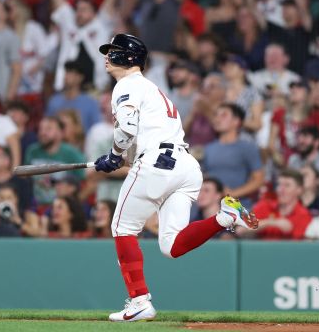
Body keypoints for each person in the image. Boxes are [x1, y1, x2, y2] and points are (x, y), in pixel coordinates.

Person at [94, 34, 258, 322]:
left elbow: (128, 129)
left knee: (122, 227)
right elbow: (138, 139)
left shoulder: (127, 85)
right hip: (185, 166)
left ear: (128, 58)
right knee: (170, 246)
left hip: (158, 163)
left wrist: (115, 154)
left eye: (113, 51)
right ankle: (225, 217)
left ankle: (139, 300)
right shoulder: (152, 90)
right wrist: (119, 157)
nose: (107, 57)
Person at [202, 103, 264, 209]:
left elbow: (258, 179)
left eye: (224, 115)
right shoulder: (208, 148)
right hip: (210, 209)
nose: (217, 119)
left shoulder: (247, 147)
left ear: (236, 121)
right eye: (216, 115)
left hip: (238, 207)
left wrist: (233, 194)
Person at [46, 61, 102, 134]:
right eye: (66, 72)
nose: (66, 76)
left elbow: (97, 129)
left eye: (71, 73)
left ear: (80, 77)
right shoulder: (54, 101)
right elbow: (47, 125)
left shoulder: (90, 103)